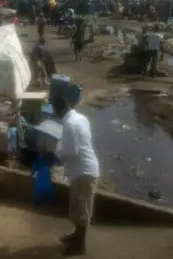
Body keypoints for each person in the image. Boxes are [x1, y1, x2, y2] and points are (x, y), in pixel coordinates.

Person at [51, 96, 99, 256]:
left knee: (82, 211)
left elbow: (72, 151)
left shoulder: (69, 124)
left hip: (82, 172)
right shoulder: (81, 118)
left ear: (58, 111)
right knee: (79, 209)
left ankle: (79, 247)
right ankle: (75, 237)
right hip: (88, 168)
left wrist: (56, 153)